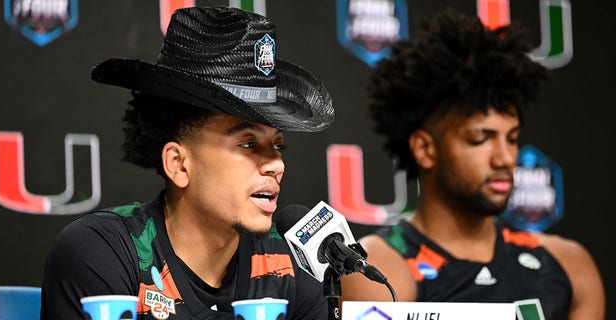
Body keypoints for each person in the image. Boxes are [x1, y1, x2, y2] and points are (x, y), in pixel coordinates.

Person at [40, 6, 334, 319]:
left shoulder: (292, 264)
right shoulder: (102, 251)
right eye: (249, 144)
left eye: (278, 145)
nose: (276, 165)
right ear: (179, 164)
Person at [339, 8, 605, 320]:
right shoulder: (375, 271)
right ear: (425, 148)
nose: (505, 158)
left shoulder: (569, 266)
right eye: (481, 138)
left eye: (512, 138)